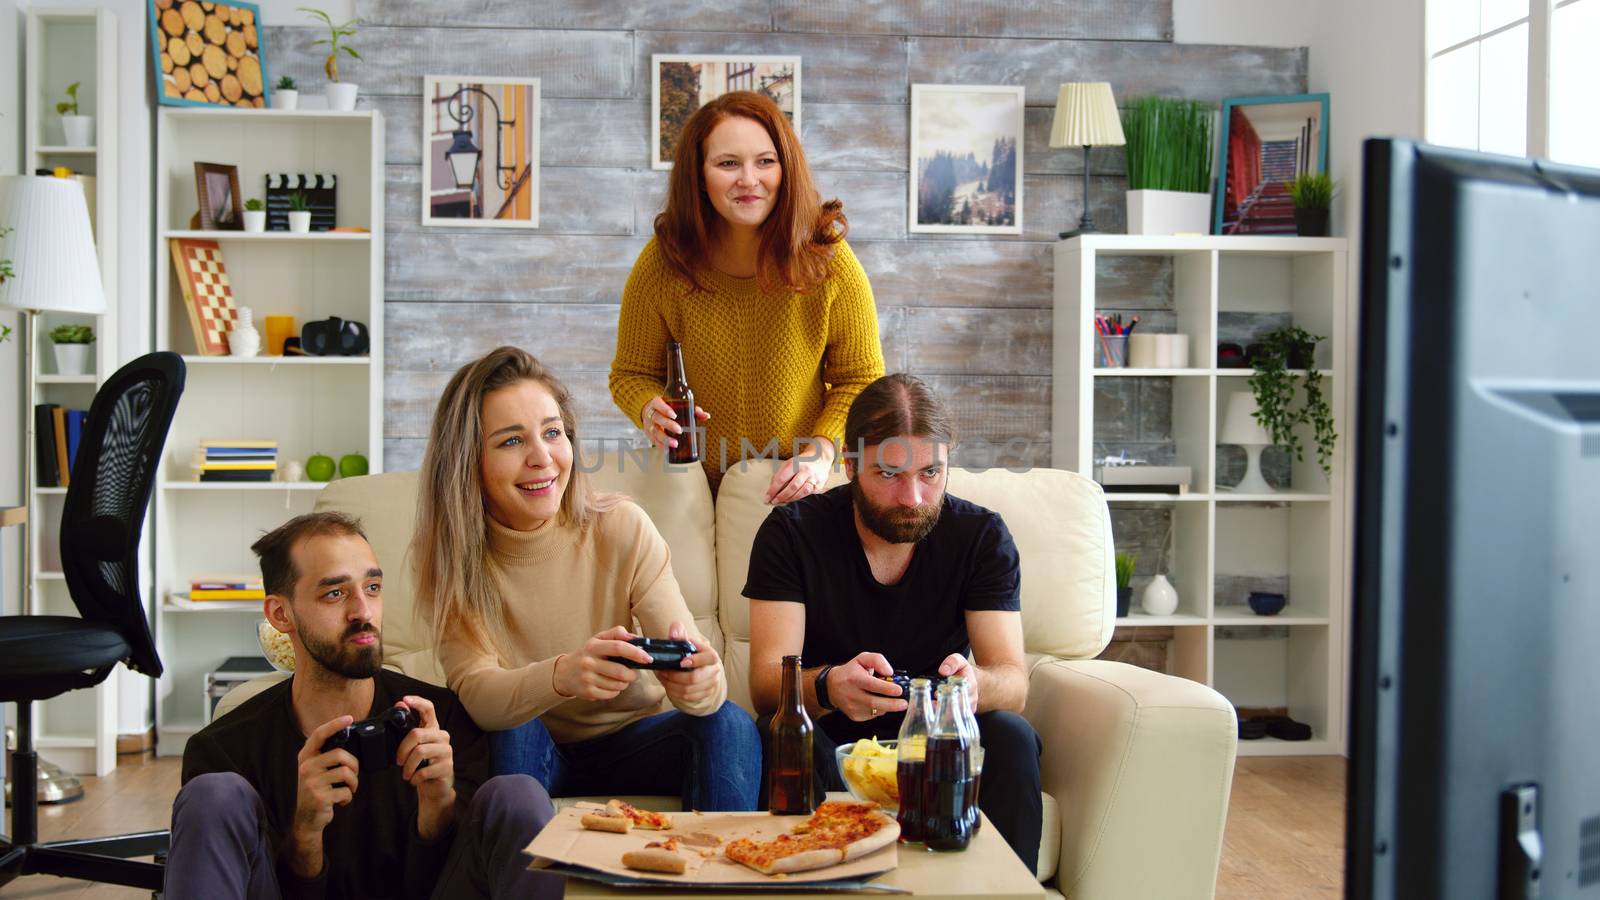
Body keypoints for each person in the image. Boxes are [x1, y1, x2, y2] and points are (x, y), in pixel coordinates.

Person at [412, 346, 761, 811]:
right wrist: (561, 677)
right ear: (467, 461)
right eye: (512, 441)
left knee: (730, 723)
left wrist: (701, 684)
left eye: (552, 433)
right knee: (512, 725)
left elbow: (697, 665)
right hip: (528, 749)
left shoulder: (621, 527)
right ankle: (525, 882)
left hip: (633, 740)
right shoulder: (450, 556)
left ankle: (716, 882)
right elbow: (476, 692)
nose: (543, 458)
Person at [166, 512, 560, 900]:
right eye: (334, 594)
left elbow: (447, 882)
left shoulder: (442, 723)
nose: (363, 612)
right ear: (280, 614)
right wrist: (305, 832)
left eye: (372, 588)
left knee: (519, 795)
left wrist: (437, 809)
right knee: (212, 795)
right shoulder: (224, 750)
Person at [743, 373, 1044, 868]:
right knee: (777, 732)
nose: (913, 499)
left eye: (930, 473)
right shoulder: (791, 534)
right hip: (833, 737)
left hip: (939, 742)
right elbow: (763, 686)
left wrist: (974, 688)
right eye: (888, 474)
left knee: (1010, 733)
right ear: (850, 464)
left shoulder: (980, 537)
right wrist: (828, 686)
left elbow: (1013, 682)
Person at [609, 90, 885, 499]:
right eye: (727, 164)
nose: (749, 180)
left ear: (786, 168)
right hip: (690, 485)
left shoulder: (828, 259)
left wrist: (821, 452)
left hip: (794, 485)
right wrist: (650, 409)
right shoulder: (664, 262)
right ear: (699, 175)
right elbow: (631, 374)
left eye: (765, 162)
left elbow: (860, 378)